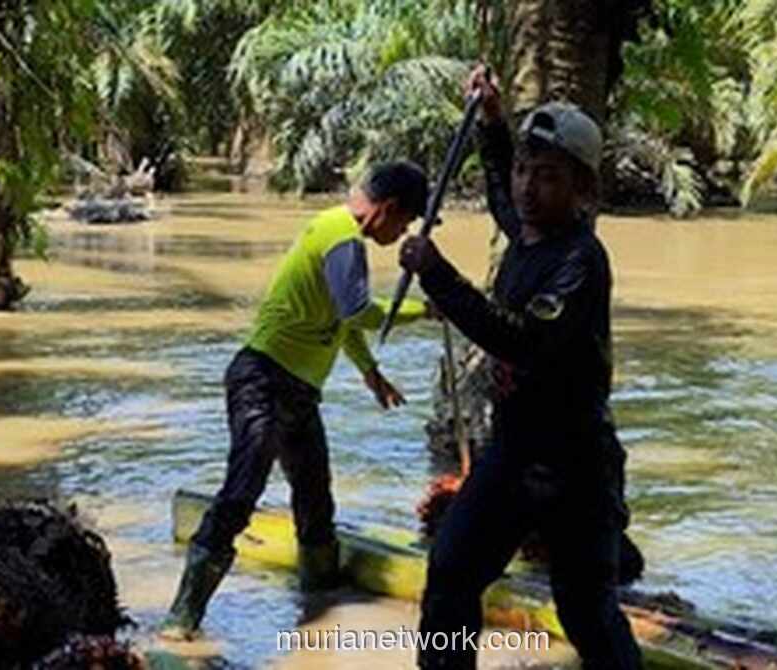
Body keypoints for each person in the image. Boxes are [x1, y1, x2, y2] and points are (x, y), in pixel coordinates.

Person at [398, 66, 644, 669]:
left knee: (585, 609)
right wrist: (490, 120)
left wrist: (438, 275)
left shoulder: (580, 260)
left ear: (583, 189)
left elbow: (523, 340)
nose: (529, 187)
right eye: (525, 171)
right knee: (450, 572)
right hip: (513, 453)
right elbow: (501, 193)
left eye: (549, 176)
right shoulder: (526, 231)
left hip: (575, 465)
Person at [160, 161, 433, 640]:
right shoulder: (343, 239)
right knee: (242, 493)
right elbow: (358, 311)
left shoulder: (340, 234)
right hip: (262, 380)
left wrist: (370, 373)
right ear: (387, 209)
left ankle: (319, 607)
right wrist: (429, 309)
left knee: (315, 498)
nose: (403, 234)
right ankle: (182, 619)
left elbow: (341, 320)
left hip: (298, 391)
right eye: (405, 222)